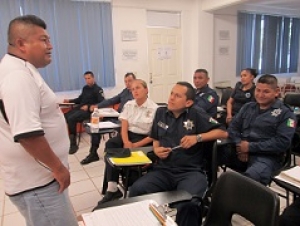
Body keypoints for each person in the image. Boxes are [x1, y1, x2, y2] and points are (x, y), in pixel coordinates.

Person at [0, 15, 77, 226]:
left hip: (38, 181)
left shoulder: (19, 69)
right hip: (38, 185)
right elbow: (28, 135)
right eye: (43, 40)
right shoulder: (18, 76)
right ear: (21, 44)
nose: (50, 46)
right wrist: (58, 168)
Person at [128, 82, 227, 201]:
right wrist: (156, 150)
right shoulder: (160, 113)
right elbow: (156, 138)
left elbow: (223, 132)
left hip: (189, 171)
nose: (171, 98)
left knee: (188, 202)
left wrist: (197, 137)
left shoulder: (196, 114)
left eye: (177, 96)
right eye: (171, 94)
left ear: (188, 103)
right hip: (163, 170)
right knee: (136, 191)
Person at [96, 79, 158, 204]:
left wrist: (135, 145)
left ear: (146, 90)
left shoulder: (155, 109)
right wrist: (126, 142)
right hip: (128, 136)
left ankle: (130, 181)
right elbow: (124, 125)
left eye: (138, 88)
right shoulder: (129, 104)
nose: (135, 91)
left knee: (128, 153)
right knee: (111, 144)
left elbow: (155, 135)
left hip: (144, 139)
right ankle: (113, 188)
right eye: (133, 89)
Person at [227, 74, 296, 185]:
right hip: (240, 149)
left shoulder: (286, 114)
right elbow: (232, 128)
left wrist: (250, 147)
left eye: (266, 92)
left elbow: (282, 142)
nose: (260, 95)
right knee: (209, 155)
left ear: (276, 92)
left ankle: (240, 200)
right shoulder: (248, 107)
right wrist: (239, 145)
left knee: (249, 179)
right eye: (258, 90)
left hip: (266, 156)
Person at [80, 72, 135, 165]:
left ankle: (110, 152)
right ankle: (93, 153)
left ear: (135, 81)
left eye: (130, 81)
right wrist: (97, 106)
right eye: (126, 81)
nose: (128, 83)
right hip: (116, 116)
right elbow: (112, 100)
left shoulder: (136, 93)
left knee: (98, 126)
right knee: (95, 125)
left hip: (125, 120)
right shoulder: (125, 91)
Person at [64, 71, 104, 154]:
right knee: (65, 116)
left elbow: (101, 103)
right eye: (85, 79)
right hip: (80, 108)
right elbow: (80, 99)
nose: (87, 80)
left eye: (89, 78)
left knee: (71, 119)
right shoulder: (85, 88)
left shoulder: (98, 89)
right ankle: (71, 137)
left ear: (93, 78)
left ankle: (73, 144)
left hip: (90, 112)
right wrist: (69, 100)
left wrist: (89, 106)